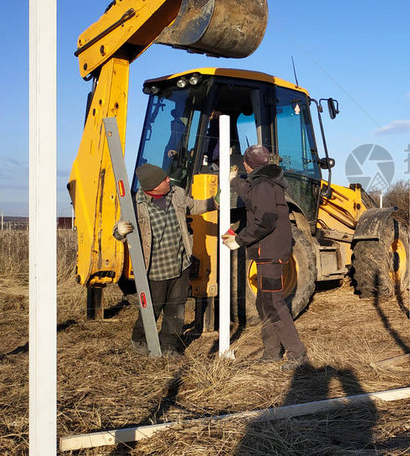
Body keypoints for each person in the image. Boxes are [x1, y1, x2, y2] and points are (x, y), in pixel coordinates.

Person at [114, 163, 216, 357]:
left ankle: (170, 345)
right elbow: (119, 228)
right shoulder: (136, 205)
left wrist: (216, 201)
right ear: (152, 187)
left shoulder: (176, 193)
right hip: (155, 268)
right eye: (164, 179)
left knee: (176, 306)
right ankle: (140, 338)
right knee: (152, 306)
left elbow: (194, 206)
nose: (169, 179)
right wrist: (119, 231)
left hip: (180, 263)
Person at [222, 144, 308, 369]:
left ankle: (297, 353)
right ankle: (271, 352)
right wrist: (235, 181)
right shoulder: (266, 182)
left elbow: (265, 219)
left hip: (269, 254)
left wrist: (238, 240)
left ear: (247, 165)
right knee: (264, 302)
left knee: (273, 303)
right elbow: (251, 194)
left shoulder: (262, 185)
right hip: (268, 252)